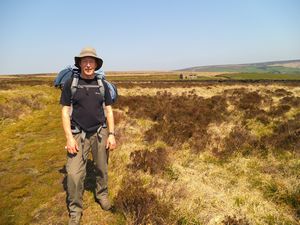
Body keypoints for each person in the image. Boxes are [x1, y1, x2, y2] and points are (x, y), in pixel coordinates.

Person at [60, 47, 116, 225]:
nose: (88, 64)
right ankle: (75, 210)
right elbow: (65, 111)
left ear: (96, 64)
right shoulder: (71, 83)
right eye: (85, 61)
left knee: (101, 168)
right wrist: (69, 137)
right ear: (80, 63)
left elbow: (109, 110)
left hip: (100, 133)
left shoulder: (103, 85)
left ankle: (102, 195)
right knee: (74, 174)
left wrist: (112, 134)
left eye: (91, 61)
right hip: (77, 134)